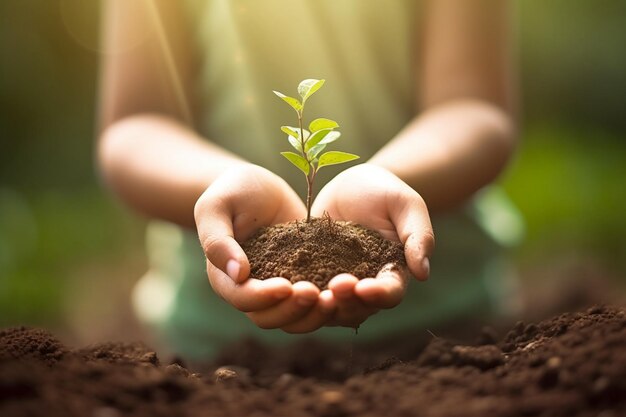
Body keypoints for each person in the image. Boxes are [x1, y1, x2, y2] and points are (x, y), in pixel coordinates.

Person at [97, 0, 523, 359]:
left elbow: (473, 107)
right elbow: (135, 125)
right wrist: (223, 183)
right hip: (215, 351)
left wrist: (388, 178)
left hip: (449, 336)